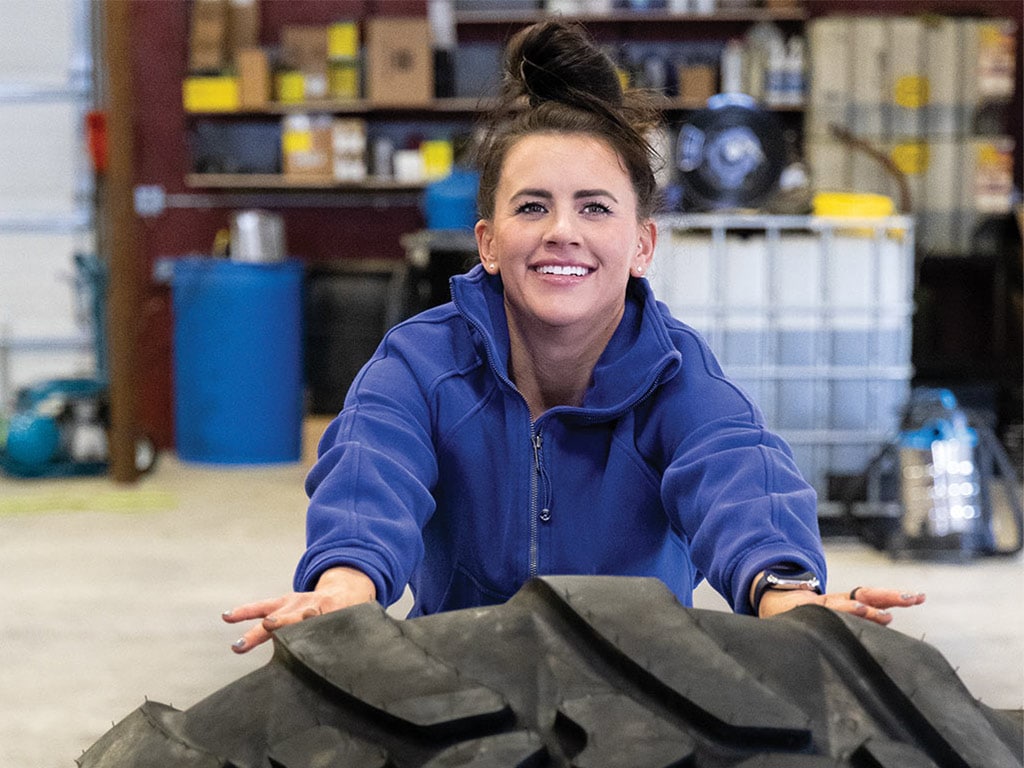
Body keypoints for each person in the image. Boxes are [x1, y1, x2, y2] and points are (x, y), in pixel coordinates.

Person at [224, 20, 924, 654]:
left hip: (644, 692)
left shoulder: (678, 378)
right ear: (489, 243)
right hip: (454, 688)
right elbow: (370, 477)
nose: (564, 230)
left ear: (642, 245)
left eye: (595, 207)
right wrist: (346, 586)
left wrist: (787, 596)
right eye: (533, 206)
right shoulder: (419, 364)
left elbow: (739, 478)